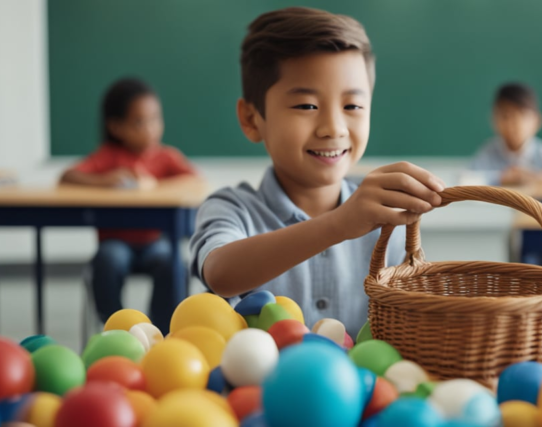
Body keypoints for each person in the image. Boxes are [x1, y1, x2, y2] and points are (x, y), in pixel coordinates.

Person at [190, 7, 445, 336]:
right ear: (252, 119)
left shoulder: (387, 219)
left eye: (352, 106)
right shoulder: (232, 208)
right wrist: (340, 223)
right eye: (307, 106)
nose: (333, 128)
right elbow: (220, 274)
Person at [60, 78, 199, 331]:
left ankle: (160, 331)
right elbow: (67, 177)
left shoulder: (166, 157)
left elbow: (195, 182)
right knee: (107, 259)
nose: (151, 128)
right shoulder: (108, 157)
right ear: (116, 126)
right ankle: (116, 329)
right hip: (116, 243)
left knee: (173, 263)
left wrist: (155, 185)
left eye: (155, 118)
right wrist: (104, 181)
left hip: (155, 243)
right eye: (139, 122)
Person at [468, 82, 542, 186]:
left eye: (522, 115)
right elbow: (467, 178)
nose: (514, 123)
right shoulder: (488, 152)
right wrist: (503, 177)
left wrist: (533, 177)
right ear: (494, 120)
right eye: (505, 116)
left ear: (537, 121)